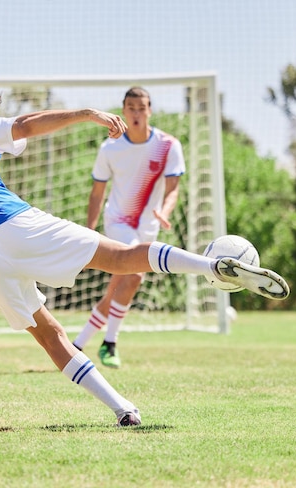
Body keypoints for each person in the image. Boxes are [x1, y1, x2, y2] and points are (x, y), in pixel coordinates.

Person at [0, 76, 289, 427]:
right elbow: (24, 127)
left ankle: (124, 409)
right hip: (10, 225)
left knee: (50, 335)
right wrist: (86, 114)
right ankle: (212, 266)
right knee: (122, 257)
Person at [72, 87, 184, 368]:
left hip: (148, 227)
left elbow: (173, 189)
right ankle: (110, 343)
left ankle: (77, 345)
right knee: (133, 276)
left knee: (117, 288)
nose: (136, 113)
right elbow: (97, 193)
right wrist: (89, 231)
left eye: (142, 107)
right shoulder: (110, 148)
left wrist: (164, 211)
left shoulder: (168, 145)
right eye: (131, 107)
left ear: (150, 110)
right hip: (118, 222)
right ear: (123, 111)